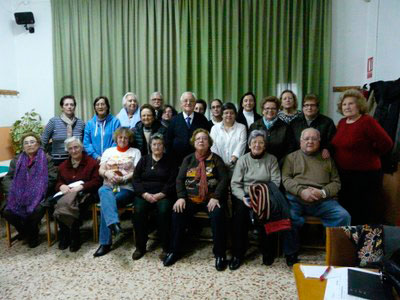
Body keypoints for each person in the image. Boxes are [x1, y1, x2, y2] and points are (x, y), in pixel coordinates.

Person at [282, 128, 351, 265]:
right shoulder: (291, 158)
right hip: (297, 198)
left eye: (314, 139)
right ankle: (291, 252)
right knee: (287, 216)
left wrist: (322, 192)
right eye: (306, 139)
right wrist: (301, 191)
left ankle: (336, 250)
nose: (310, 142)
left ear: (319, 142)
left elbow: (336, 182)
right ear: (300, 141)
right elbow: (285, 179)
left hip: (323, 200)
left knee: (343, 216)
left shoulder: (327, 158)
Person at [163, 129, 229, 271]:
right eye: (198, 138)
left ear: (209, 143)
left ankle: (220, 254)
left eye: (204, 138)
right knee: (177, 212)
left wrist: (216, 197)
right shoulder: (188, 159)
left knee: (218, 215)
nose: (201, 141)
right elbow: (180, 180)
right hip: (190, 199)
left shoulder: (216, 159)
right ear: (194, 142)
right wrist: (181, 197)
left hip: (211, 199)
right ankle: (174, 251)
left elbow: (224, 179)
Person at [331, 89, 393, 225]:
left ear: (359, 105)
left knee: (366, 212)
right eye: (344, 104)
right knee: (349, 209)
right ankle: (350, 242)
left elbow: (386, 143)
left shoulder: (367, 121)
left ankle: (367, 244)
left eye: (351, 104)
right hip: (345, 175)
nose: (347, 107)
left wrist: (371, 154)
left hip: (366, 176)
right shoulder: (342, 122)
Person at [230, 130, 285, 270]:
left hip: (265, 193)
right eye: (254, 142)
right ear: (249, 145)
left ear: (265, 146)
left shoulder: (271, 159)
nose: (257, 145)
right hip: (245, 195)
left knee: (267, 213)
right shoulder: (243, 160)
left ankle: (267, 251)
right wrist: (243, 197)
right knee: (239, 217)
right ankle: (238, 254)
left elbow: (276, 181)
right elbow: (235, 183)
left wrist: (262, 196)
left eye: (261, 142)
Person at [1, 133, 57, 248]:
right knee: (6, 211)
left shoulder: (47, 158)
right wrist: (14, 191)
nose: (29, 145)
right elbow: (8, 178)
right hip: (18, 195)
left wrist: (35, 190)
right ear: (23, 146)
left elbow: (52, 178)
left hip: (41, 195)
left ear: (38, 144)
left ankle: (30, 234)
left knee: (35, 210)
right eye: (26, 143)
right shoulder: (17, 160)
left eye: (32, 142)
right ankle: (28, 232)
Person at [93, 128, 141, 257]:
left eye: (126, 138)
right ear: (116, 138)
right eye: (120, 137)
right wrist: (107, 173)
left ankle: (105, 243)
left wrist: (124, 178)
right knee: (103, 191)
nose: (123, 140)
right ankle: (114, 224)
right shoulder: (108, 151)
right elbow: (101, 169)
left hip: (126, 188)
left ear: (129, 139)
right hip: (108, 186)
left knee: (106, 202)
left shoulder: (135, 152)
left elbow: (137, 171)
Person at [132, 134, 177, 260]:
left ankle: (166, 247)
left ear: (164, 146)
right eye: (154, 144)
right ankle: (140, 247)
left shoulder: (170, 161)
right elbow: (136, 179)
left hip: (164, 194)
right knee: (139, 211)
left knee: (164, 211)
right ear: (150, 146)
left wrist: (160, 195)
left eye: (160, 144)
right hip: (144, 194)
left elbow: (173, 181)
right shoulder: (144, 160)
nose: (157, 147)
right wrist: (144, 194)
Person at [54, 137, 102, 252]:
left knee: (75, 206)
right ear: (67, 151)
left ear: (81, 148)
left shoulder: (92, 163)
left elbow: (97, 181)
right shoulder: (63, 165)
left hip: (87, 193)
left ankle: (74, 236)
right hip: (68, 194)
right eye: (70, 148)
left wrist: (82, 186)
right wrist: (61, 186)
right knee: (59, 204)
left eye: (76, 147)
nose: (74, 151)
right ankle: (65, 234)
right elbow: (57, 182)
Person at [166, 91, 211, 165]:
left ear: (195, 103)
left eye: (191, 101)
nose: (188, 103)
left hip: (199, 161)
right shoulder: (174, 120)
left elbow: (208, 140)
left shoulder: (202, 119)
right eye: (185, 101)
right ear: (181, 104)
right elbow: (168, 142)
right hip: (177, 162)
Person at [249, 96, 295, 163]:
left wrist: (280, 163)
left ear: (277, 110)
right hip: (257, 164)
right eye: (267, 108)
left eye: (273, 108)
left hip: (279, 165)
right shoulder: (254, 126)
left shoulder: (285, 127)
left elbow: (290, 149)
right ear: (262, 110)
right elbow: (249, 147)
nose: (270, 111)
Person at [41, 95, 85, 165]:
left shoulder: (81, 123)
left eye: (72, 105)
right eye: (66, 104)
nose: (69, 107)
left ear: (74, 107)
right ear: (62, 107)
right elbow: (43, 141)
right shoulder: (53, 122)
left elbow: (84, 144)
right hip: (56, 162)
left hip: (77, 162)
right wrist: (46, 157)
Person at [210, 102, 246, 173]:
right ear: (222, 115)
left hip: (237, 166)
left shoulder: (242, 128)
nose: (229, 115)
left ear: (235, 115)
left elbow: (241, 146)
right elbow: (213, 147)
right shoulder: (215, 128)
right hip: (218, 166)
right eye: (226, 113)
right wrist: (220, 163)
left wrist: (232, 162)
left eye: (231, 113)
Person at [84, 96, 121, 161]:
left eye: (102, 104)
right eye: (97, 105)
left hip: (111, 159)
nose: (100, 107)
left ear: (107, 107)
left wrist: (107, 156)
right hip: (93, 160)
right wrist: (96, 156)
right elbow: (87, 143)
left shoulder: (115, 122)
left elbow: (117, 141)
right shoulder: (90, 124)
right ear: (95, 108)